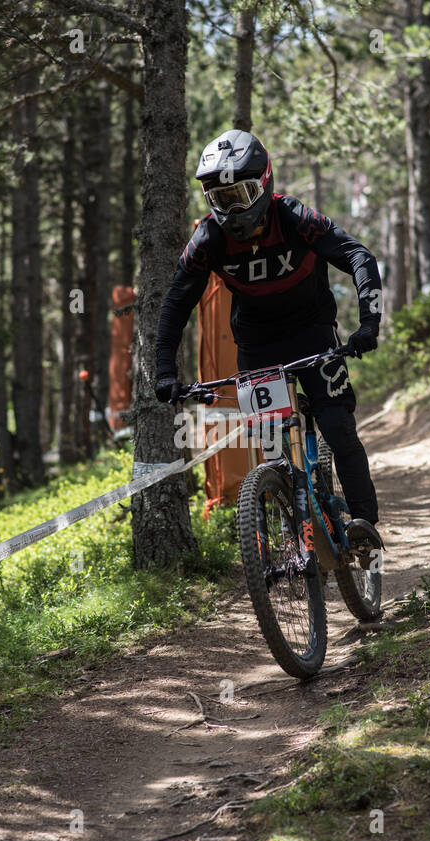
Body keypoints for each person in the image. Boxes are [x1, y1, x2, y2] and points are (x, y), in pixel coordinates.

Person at [153, 129, 383, 539]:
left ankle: (365, 532)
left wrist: (369, 323)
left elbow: (357, 255)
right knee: (273, 448)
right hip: (257, 346)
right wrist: (165, 371)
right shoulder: (208, 237)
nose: (231, 209)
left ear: (264, 184)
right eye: (220, 199)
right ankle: (294, 538)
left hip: (313, 334)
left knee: (338, 426)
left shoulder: (294, 217)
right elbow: (175, 303)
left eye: (239, 195)